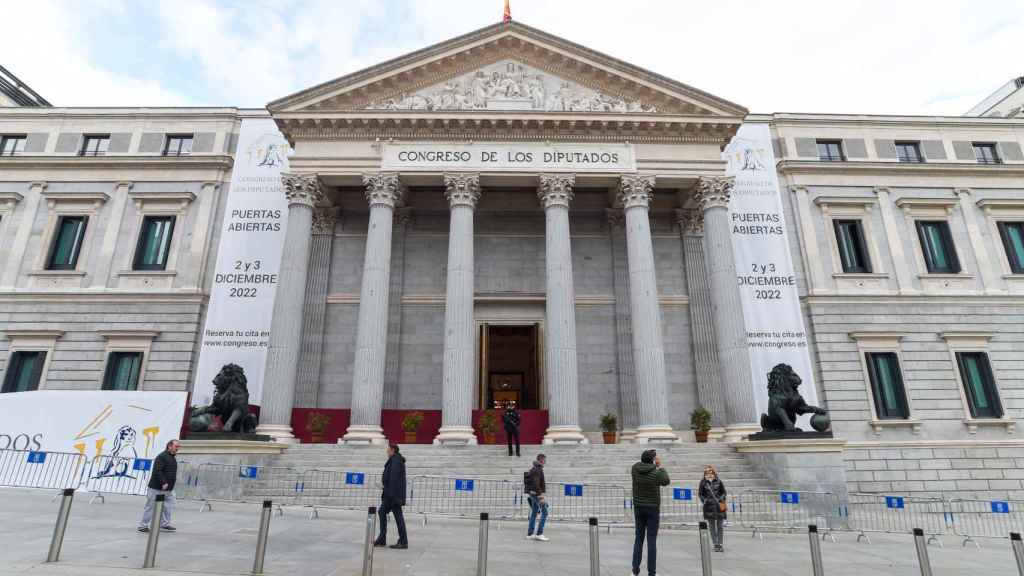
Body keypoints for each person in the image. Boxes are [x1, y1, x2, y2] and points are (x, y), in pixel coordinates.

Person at [630, 449, 669, 576]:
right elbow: (666, 481)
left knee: (638, 539)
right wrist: (660, 466)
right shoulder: (656, 473)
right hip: (652, 509)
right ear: (652, 460)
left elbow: (639, 466)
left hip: (638, 507)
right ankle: (651, 573)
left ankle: (635, 571)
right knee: (651, 540)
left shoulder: (635, 469)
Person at [138, 439, 179, 533]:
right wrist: (163, 482)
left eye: (178, 447)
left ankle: (164, 524)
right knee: (151, 506)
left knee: (168, 506)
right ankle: (143, 526)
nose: (178, 448)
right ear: (169, 446)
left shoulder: (172, 457)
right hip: (156, 487)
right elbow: (158, 471)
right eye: (176, 446)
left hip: (168, 489)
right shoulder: (162, 457)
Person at [374, 443, 408, 549]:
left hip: (392, 495)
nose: (386, 451)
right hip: (392, 494)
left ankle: (402, 541)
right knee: (382, 512)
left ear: (392, 450)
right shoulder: (395, 460)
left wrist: (391, 495)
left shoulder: (396, 461)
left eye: (388, 449)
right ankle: (383, 538)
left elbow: (393, 479)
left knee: (397, 516)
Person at [699, 465, 727, 552]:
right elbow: (700, 494)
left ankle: (720, 544)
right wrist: (705, 500)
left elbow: (724, 492)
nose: (709, 473)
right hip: (709, 507)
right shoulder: (703, 482)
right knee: (711, 526)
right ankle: (715, 543)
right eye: (707, 472)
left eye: (710, 472)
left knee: (720, 526)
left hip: (719, 506)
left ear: (713, 472)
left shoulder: (719, 481)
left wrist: (721, 498)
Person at [525, 453, 548, 541]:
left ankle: (530, 534)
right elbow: (536, 484)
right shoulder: (537, 469)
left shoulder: (535, 468)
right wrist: (541, 496)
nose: (545, 461)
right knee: (545, 512)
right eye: (544, 459)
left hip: (534, 493)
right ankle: (539, 533)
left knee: (534, 512)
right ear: (541, 459)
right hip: (536, 494)